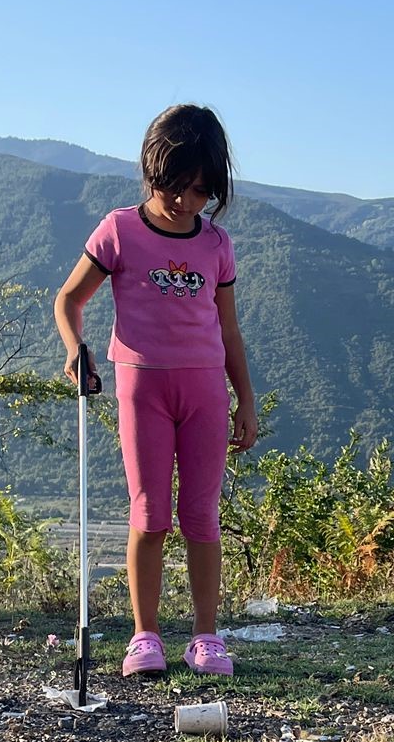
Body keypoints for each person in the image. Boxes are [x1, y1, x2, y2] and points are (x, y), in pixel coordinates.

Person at [54, 104, 259, 678]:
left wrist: (246, 399)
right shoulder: (119, 230)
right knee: (149, 515)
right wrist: (75, 348)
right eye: (175, 187)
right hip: (140, 386)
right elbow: (70, 300)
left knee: (200, 515)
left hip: (205, 392)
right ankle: (145, 637)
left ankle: (206, 637)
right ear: (151, 170)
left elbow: (229, 327)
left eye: (199, 191)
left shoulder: (216, 244)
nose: (185, 202)